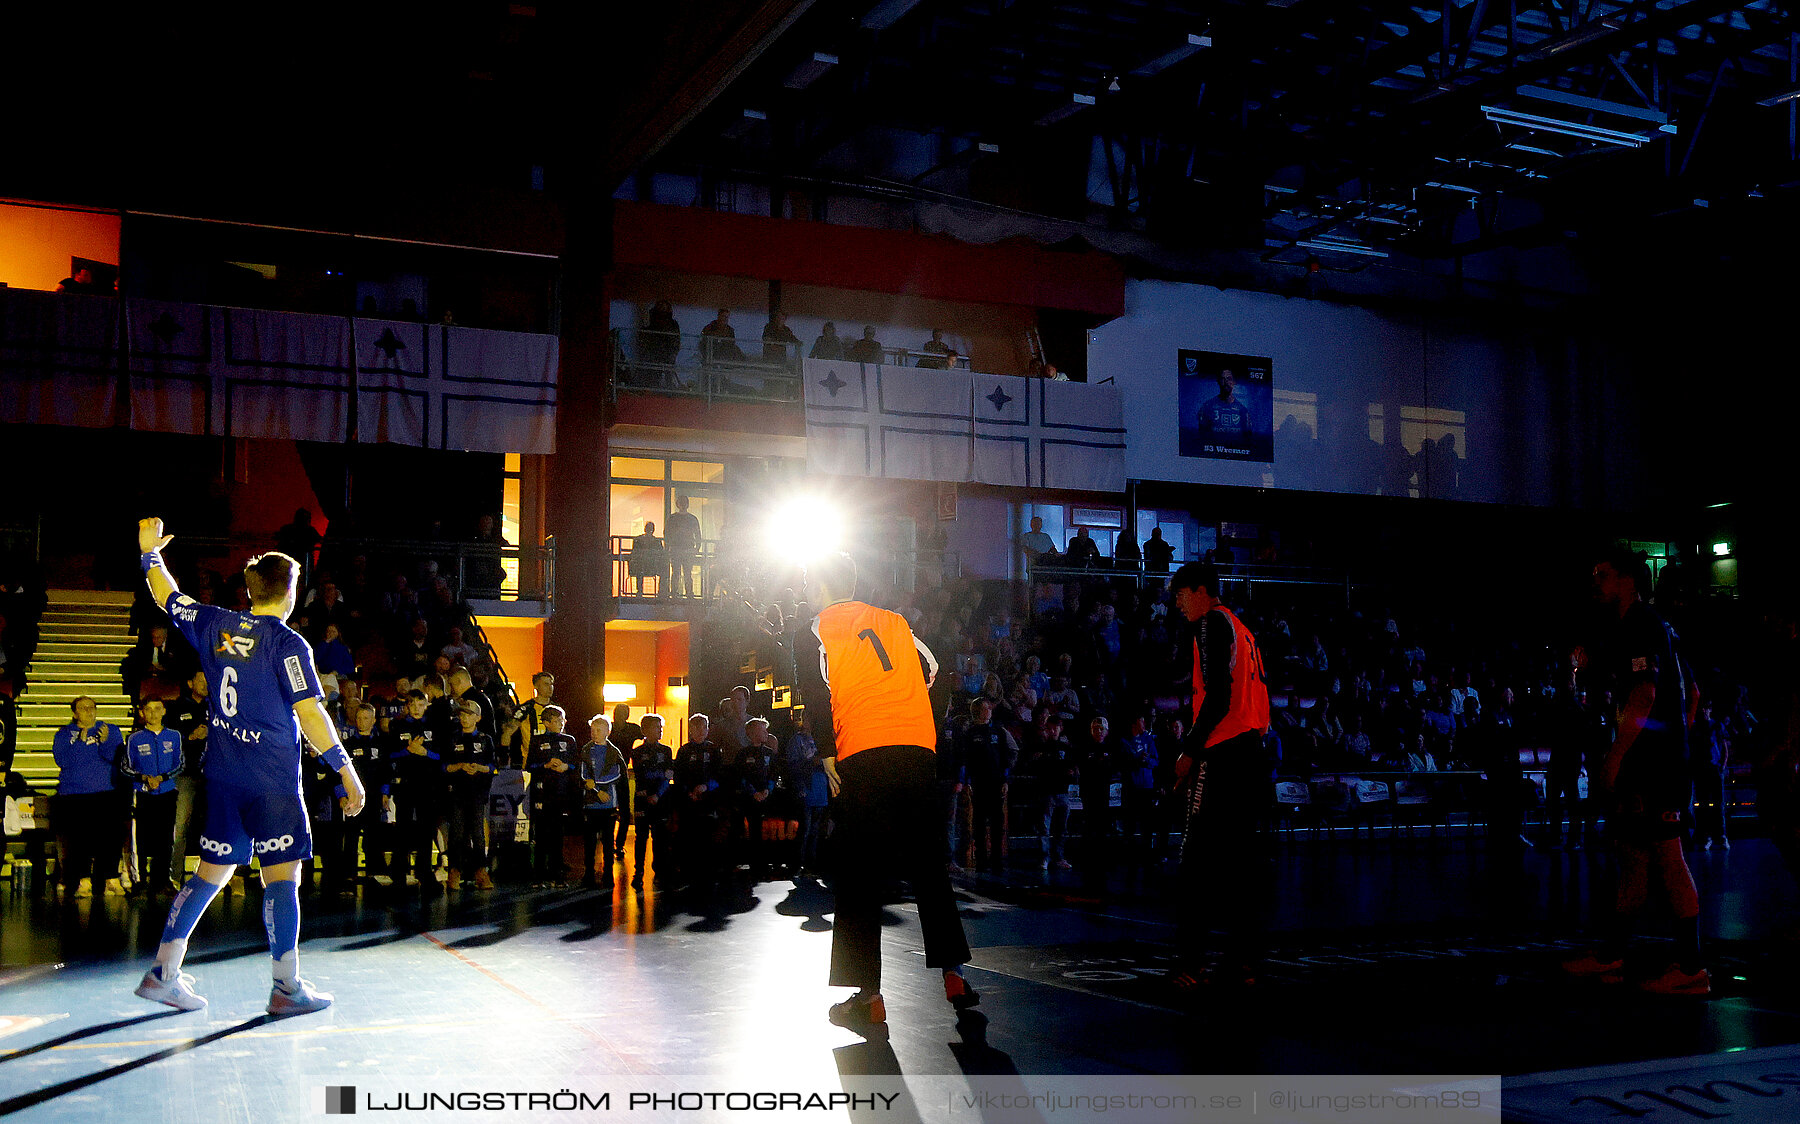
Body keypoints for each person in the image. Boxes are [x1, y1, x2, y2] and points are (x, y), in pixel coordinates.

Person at [133, 519, 365, 1014]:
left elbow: (166, 595)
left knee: (209, 874)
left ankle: (161, 973)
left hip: (223, 775)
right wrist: (345, 769)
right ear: (292, 592)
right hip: (272, 782)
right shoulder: (288, 645)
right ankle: (286, 989)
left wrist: (149, 553)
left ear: (249, 589)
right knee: (282, 879)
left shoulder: (215, 621)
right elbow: (310, 713)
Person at [795, 552, 977, 1035]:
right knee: (928, 867)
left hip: (865, 752)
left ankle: (868, 996)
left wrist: (830, 753)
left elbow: (815, 690)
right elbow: (930, 670)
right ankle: (954, 974)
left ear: (819, 584)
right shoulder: (895, 621)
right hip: (918, 749)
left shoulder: (819, 626)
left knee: (860, 873)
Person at [1563, 548, 1709, 996]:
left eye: (1602, 573)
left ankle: (1691, 967)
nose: (1595, 581)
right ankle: (1612, 954)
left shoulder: (1641, 625)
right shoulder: (1657, 626)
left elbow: (1644, 696)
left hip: (1653, 767)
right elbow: (1694, 694)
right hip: (1658, 761)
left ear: (1627, 579)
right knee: (1631, 857)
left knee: (1668, 857)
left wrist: (1619, 756)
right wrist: (1673, 743)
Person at [1169, 561, 1271, 991]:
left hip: (1220, 752)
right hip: (1251, 753)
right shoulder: (1244, 631)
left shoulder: (1210, 623)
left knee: (1196, 860)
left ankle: (1190, 963)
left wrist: (1190, 750)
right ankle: (1243, 960)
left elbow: (1217, 695)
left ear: (1200, 590)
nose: (1177, 603)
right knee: (1241, 862)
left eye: (1180, 593)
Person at [51, 695, 126, 898]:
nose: (89, 711)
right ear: (74, 713)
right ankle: (82, 880)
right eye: (83, 708)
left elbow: (116, 758)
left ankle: (110, 879)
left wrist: (104, 743)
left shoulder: (109, 730)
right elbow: (62, 760)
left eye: (92, 707)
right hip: (74, 794)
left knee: (109, 839)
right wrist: (80, 743)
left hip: (105, 792)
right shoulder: (64, 734)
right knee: (79, 840)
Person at [121, 699, 184, 895]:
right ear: (142, 713)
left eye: (157, 709)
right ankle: (138, 880)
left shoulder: (174, 736)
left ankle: (164, 880)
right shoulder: (134, 738)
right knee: (138, 838)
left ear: (164, 711)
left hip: (166, 792)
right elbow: (125, 767)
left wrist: (162, 778)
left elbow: (180, 764)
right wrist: (144, 778)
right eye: (148, 710)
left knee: (166, 838)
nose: (153, 713)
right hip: (142, 793)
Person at [443, 699, 496, 891]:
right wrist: (460, 766)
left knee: (478, 834)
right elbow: (445, 766)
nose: (464, 718)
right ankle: (454, 871)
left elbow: (492, 766)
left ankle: (481, 871)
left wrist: (479, 768)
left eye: (468, 714)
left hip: (477, 793)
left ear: (478, 717)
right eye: (462, 714)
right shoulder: (453, 738)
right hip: (457, 792)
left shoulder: (485, 739)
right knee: (456, 833)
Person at [527, 705, 580, 886]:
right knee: (541, 835)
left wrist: (567, 767)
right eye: (557, 720)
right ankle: (538, 876)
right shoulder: (537, 740)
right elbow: (530, 766)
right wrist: (545, 765)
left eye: (563, 719)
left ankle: (558, 876)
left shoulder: (570, 740)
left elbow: (576, 764)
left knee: (558, 836)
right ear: (547, 723)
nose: (562, 723)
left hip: (561, 794)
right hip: (541, 794)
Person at [578, 714, 625, 888]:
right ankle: (589, 873)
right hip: (591, 803)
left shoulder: (614, 752)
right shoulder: (586, 750)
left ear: (608, 731)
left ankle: (608, 874)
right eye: (592, 730)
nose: (594, 733)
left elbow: (617, 774)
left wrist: (597, 786)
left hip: (608, 804)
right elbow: (584, 775)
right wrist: (597, 791)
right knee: (589, 842)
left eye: (598, 730)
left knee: (607, 841)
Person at [629, 714, 675, 889]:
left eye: (661, 727)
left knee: (660, 837)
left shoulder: (666, 750)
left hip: (661, 799)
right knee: (641, 837)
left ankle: (659, 870)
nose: (660, 730)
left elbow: (669, 775)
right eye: (657, 727)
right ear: (645, 730)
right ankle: (638, 872)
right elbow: (643, 774)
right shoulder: (637, 751)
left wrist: (658, 790)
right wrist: (660, 775)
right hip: (642, 799)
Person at [1197, 369, 1252, 441]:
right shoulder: (1208, 406)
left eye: (1229, 379)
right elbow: (1201, 434)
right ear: (1218, 381)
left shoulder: (1242, 410)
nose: (1226, 382)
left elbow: (1248, 438)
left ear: (1234, 382)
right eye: (1223, 379)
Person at [664, 497, 703, 598]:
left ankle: (675, 593)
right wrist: (697, 548)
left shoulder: (672, 518)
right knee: (686, 573)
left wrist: (667, 547)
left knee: (677, 572)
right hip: (686, 549)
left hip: (677, 549)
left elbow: (667, 534)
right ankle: (688, 593)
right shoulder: (692, 518)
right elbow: (698, 534)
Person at [629, 523, 668, 597]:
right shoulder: (656, 541)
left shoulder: (638, 540)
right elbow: (661, 553)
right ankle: (661, 592)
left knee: (639, 569)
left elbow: (634, 552)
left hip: (643, 567)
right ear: (653, 530)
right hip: (652, 567)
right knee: (664, 570)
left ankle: (639, 591)